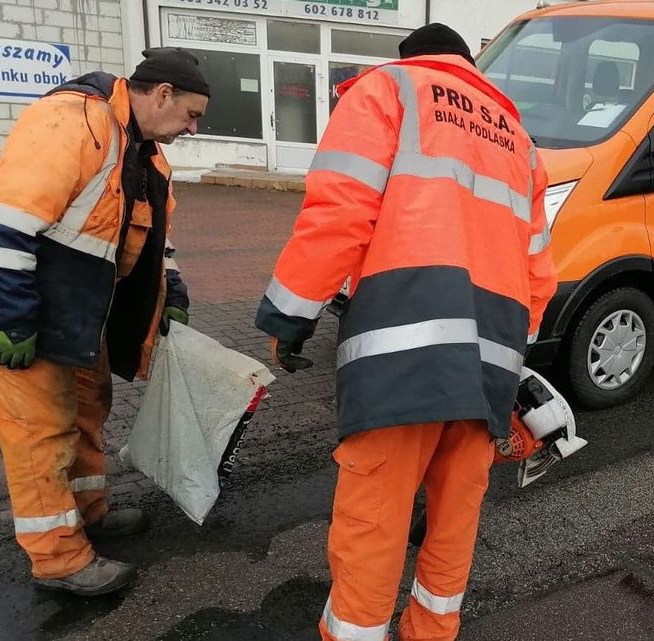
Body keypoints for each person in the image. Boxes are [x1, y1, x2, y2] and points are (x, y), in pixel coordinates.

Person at [255, 23, 556, 641]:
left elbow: (339, 214)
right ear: (469, 64)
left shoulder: (388, 91)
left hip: (401, 353)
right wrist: (510, 358)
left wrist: (289, 317)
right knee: (454, 517)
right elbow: (538, 274)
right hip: (489, 363)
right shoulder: (519, 141)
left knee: (376, 517)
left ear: (411, 58)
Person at [0, 48, 209, 596]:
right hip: (28, 320)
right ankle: (59, 560)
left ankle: (88, 512)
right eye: (192, 114)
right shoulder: (72, 122)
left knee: (86, 414)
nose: (194, 127)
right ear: (161, 94)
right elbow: (4, 224)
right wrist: (9, 318)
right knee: (41, 435)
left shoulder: (144, 151)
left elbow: (152, 238)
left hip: (80, 317)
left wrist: (170, 290)